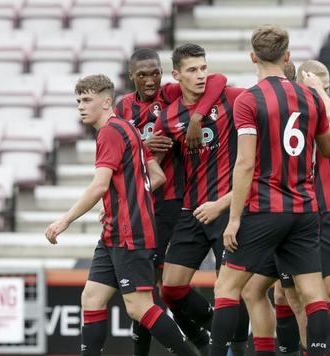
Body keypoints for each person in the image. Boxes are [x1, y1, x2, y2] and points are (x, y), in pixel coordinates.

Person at [209, 25, 330, 356]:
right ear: (288, 56)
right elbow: (328, 148)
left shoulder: (249, 99)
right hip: (305, 209)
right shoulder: (310, 97)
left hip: (265, 209)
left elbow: (245, 164)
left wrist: (234, 218)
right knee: (313, 294)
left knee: (227, 287)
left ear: (253, 56)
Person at [44, 74, 197, 356]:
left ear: (106, 102)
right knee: (91, 297)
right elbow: (158, 176)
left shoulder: (109, 132)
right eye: (78, 100)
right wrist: (123, 199)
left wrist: (64, 220)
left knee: (139, 307)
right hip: (115, 232)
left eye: (87, 100)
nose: (80, 106)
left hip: (130, 232)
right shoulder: (128, 128)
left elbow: (100, 184)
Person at [114, 48, 227, 355]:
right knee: (151, 286)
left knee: (157, 285)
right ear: (131, 76)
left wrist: (197, 118)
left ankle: (207, 340)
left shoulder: (171, 94)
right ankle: (206, 340)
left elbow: (216, 81)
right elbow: (115, 152)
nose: (150, 81)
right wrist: (142, 146)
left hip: (173, 201)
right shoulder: (122, 107)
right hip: (140, 203)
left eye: (155, 73)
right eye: (142, 75)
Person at [151, 43, 247, 353]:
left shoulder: (228, 98)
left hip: (227, 207)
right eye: (192, 70)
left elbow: (222, 80)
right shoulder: (167, 118)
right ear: (177, 74)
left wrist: (198, 117)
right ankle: (216, 329)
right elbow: (153, 160)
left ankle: (237, 348)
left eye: (203, 68)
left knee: (229, 289)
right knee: (171, 288)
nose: (201, 75)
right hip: (191, 210)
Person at [274, 59, 330, 356]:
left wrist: (319, 91)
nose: (325, 94)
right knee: (287, 296)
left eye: (328, 88)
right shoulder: (288, 112)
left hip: (328, 208)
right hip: (292, 209)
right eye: (320, 88)